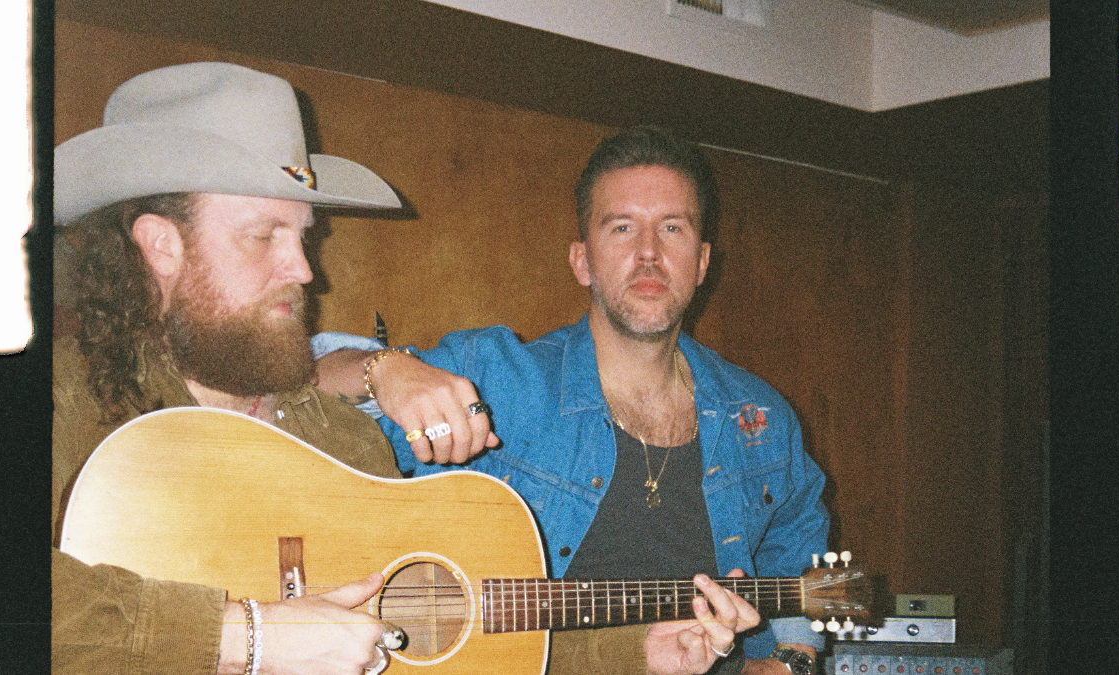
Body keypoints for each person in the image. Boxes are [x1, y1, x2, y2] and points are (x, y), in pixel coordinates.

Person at [52, 63, 756, 675]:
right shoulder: (54, 403)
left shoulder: (344, 442)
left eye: (303, 237)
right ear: (161, 246)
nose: (303, 268)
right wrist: (250, 636)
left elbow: (443, 630)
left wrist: (636, 652)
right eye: (265, 235)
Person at [315, 126, 831, 675]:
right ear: (582, 261)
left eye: (672, 228)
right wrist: (384, 369)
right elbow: (291, 393)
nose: (649, 253)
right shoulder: (498, 379)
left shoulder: (759, 416)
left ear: (702, 262)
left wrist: (790, 659)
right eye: (622, 228)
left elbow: (798, 540)